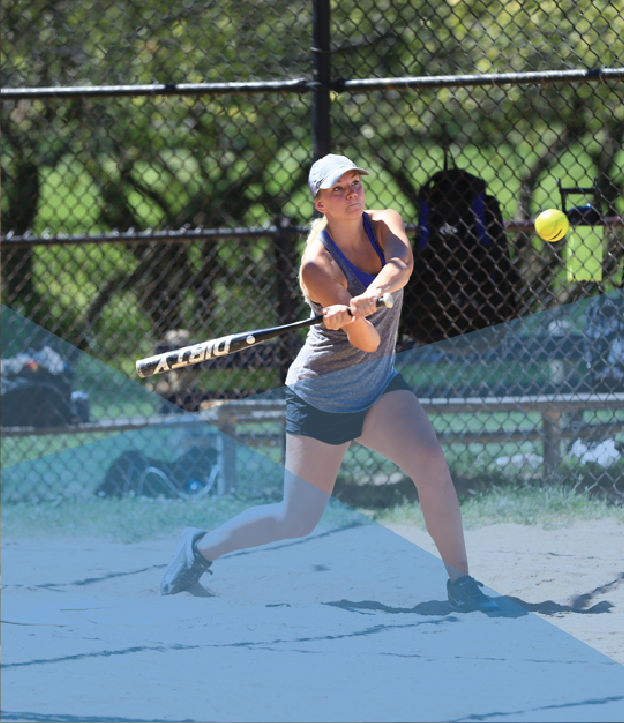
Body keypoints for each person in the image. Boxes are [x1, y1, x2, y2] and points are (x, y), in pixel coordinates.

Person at [160, 153, 500, 613]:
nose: (351, 192)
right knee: (296, 519)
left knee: (432, 465)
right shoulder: (317, 266)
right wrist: (349, 316)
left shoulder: (384, 223)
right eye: (338, 189)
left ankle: (461, 584)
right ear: (319, 203)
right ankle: (199, 549)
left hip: (379, 386)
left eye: (355, 183)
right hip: (322, 394)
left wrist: (369, 295)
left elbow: (402, 265)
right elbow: (366, 339)